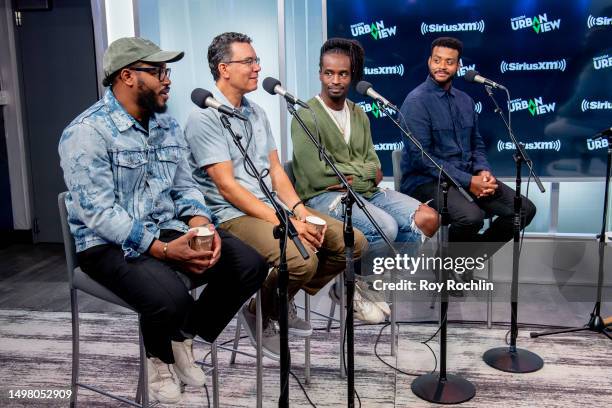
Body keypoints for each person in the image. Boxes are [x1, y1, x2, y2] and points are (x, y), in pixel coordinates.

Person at [58, 37, 268, 405]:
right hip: (106, 243)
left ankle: (182, 340)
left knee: (249, 264)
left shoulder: (166, 127)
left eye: (165, 71)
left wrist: (202, 226)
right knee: (170, 297)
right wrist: (163, 249)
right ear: (126, 76)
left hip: (165, 227)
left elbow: (185, 186)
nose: (167, 79)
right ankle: (160, 360)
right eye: (157, 72)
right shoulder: (86, 133)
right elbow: (99, 213)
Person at [184, 32, 367, 359]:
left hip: (272, 207)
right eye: (249, 61)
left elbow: (276, 171)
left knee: (353, 242)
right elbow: (228, 188)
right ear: (224, 69)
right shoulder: (204, 116)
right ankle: (261, 312)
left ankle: (276, 300)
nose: (257, 68)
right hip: (232, 215)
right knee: (301, 260)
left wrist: (299, 212)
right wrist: (290, 226)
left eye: (257, 60)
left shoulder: (256, 112)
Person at [290, 38, 439, 318]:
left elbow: (375, 166)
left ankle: (365, 283)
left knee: (428, 219)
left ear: (352, 75)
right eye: (328, 73)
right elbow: (319, 176)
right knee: (386, 227)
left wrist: (352, 174)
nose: (335, 80)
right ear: (320, 73)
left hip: (365, 193)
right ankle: (355, 286)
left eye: (343, 74)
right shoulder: (305, 116)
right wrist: (362, 174)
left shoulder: (359, 114)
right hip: (322, 198)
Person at [399, 36, 536, 260]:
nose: (442, 66)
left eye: (449, 62)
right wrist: (469, 181)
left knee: (524, 210)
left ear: (458, 66)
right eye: (437, 60)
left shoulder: (466, 101)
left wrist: (483, 172)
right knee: (470, 217)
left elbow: (477, 144)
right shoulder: (416, 102)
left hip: (467, 176)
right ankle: (448, 266)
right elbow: (422, 159)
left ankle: (467, 259)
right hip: (426, 182)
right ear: (429, 62)